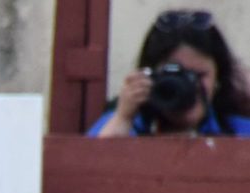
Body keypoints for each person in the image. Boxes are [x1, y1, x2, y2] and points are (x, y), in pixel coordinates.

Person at [90, 9, 250, 137]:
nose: (189, 86)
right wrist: (123, 118)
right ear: (151, 77)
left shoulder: (239, 132)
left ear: (218, 79)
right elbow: (91, 167)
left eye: (199, 75)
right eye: (176, 75)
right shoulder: (124, 126)